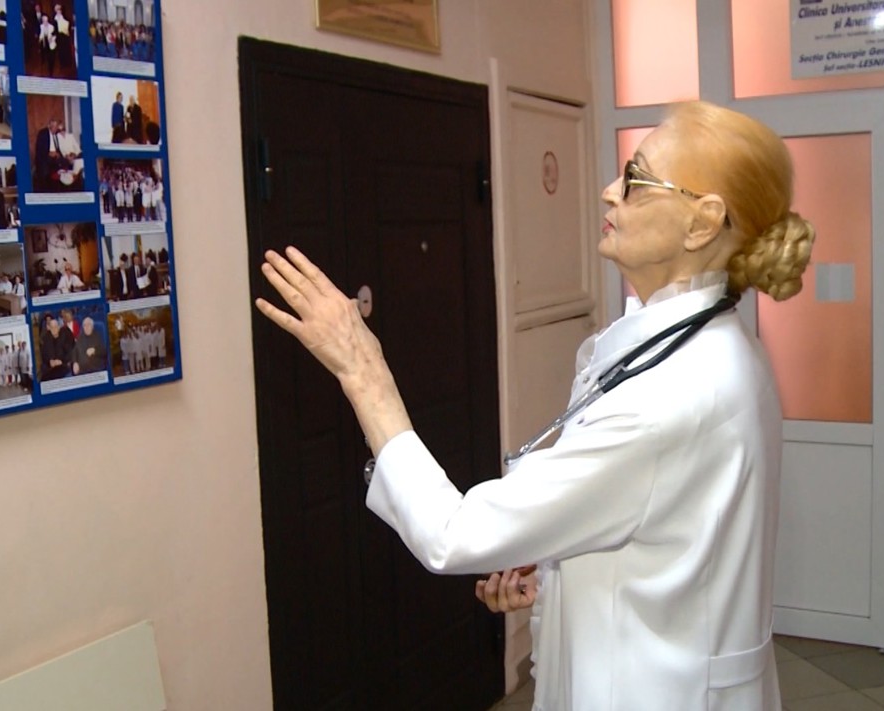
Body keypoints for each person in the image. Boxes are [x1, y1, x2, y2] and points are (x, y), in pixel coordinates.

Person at [254, 101, 816, 710]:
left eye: (635, 179)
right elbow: (669, 539)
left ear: (701, 224)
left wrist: (361, 369)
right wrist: (554, 571)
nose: (610, 192)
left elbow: (452, 535)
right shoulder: (717, 345)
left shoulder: (670, 396)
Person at [38, 313, 73, 380]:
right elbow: (44, 355)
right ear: (49, 328)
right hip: (51, 367)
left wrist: (61, 361)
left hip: (63, 365)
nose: (54, 329)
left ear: (59, 327)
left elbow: (70, 352)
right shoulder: (46, 338)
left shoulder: (65, 335)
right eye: (52, 327)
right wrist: (50, 361)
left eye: (55, 327)